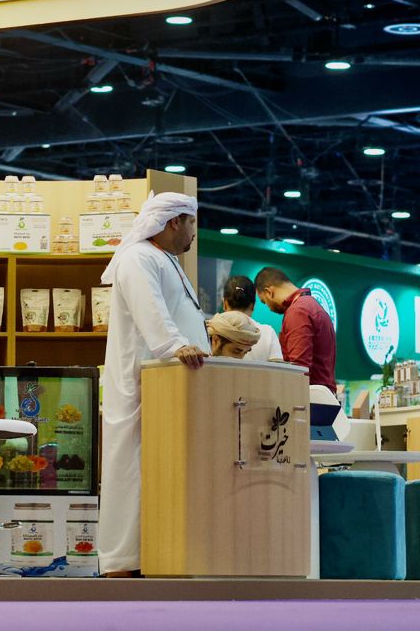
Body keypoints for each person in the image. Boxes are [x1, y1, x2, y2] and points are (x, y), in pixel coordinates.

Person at [98, 191, 207, 578]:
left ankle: (157, 558)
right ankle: (123, 564)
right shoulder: (138, 257)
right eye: (192, 223)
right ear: (175, 221)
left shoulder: (164, 259)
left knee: (161, 472)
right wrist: (176, 346)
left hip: (167, 388)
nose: (194, 232)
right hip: (143, 385)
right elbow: (152, 312)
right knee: (132, 471)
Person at [255, 266, 337, 389]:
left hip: (310, 397)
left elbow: (299, 370)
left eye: (264, 301)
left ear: (269, 292)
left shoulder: (298, 312)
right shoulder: (312, 305)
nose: (269, 308)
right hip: (322, 394)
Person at [222, 273, 284, 363]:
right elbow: (278, 369)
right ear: (253, 306)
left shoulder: (211, 330)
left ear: (225, 304)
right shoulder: (268, 333)